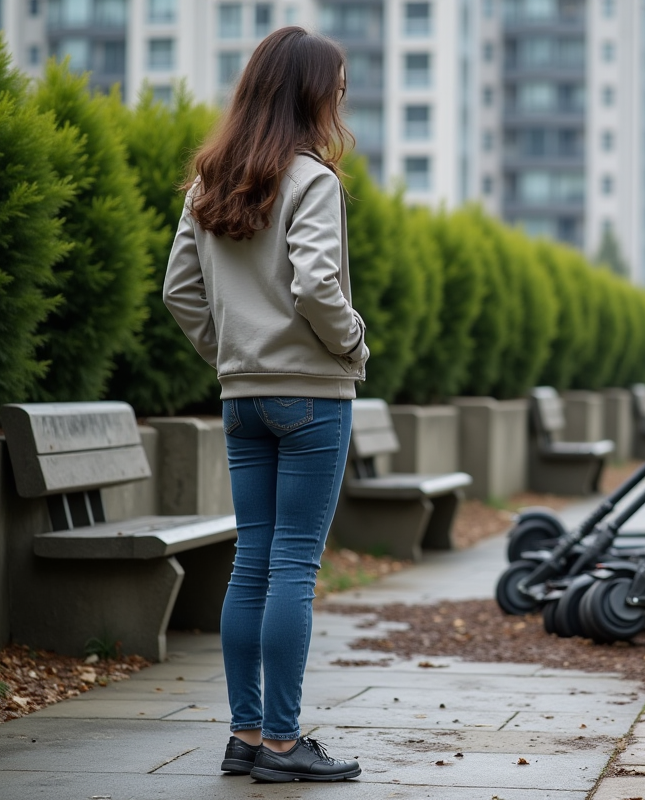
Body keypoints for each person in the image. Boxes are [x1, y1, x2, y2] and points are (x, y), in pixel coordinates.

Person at [163, 26, 367, 783]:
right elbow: (316, 285)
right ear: (311, 95)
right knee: (292, 567)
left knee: (251, 563)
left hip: (242, 398)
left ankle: (245, 736)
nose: (340, 104)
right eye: (336, 91)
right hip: (310, 397)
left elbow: (179, 292)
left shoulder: (208, 183)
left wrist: (233, 356)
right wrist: (352, 343)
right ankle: (283, 744)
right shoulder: (312, 180)